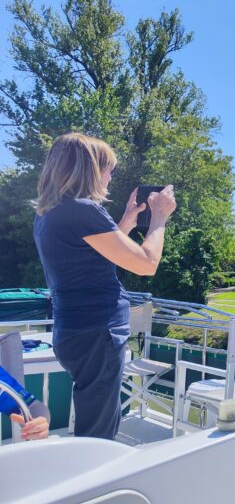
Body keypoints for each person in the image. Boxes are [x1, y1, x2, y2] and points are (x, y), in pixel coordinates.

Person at [33, 133, 176, 440]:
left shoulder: (49, 214)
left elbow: (98, 255)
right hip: (98, 334)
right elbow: (146, 263)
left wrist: (126, 220)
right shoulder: (83, 211)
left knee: (95, 416)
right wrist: (159, 219)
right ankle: (91, 485)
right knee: (97, 431)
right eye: (108, 169)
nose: (111, 176)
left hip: (74, 332)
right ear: (89, 169)